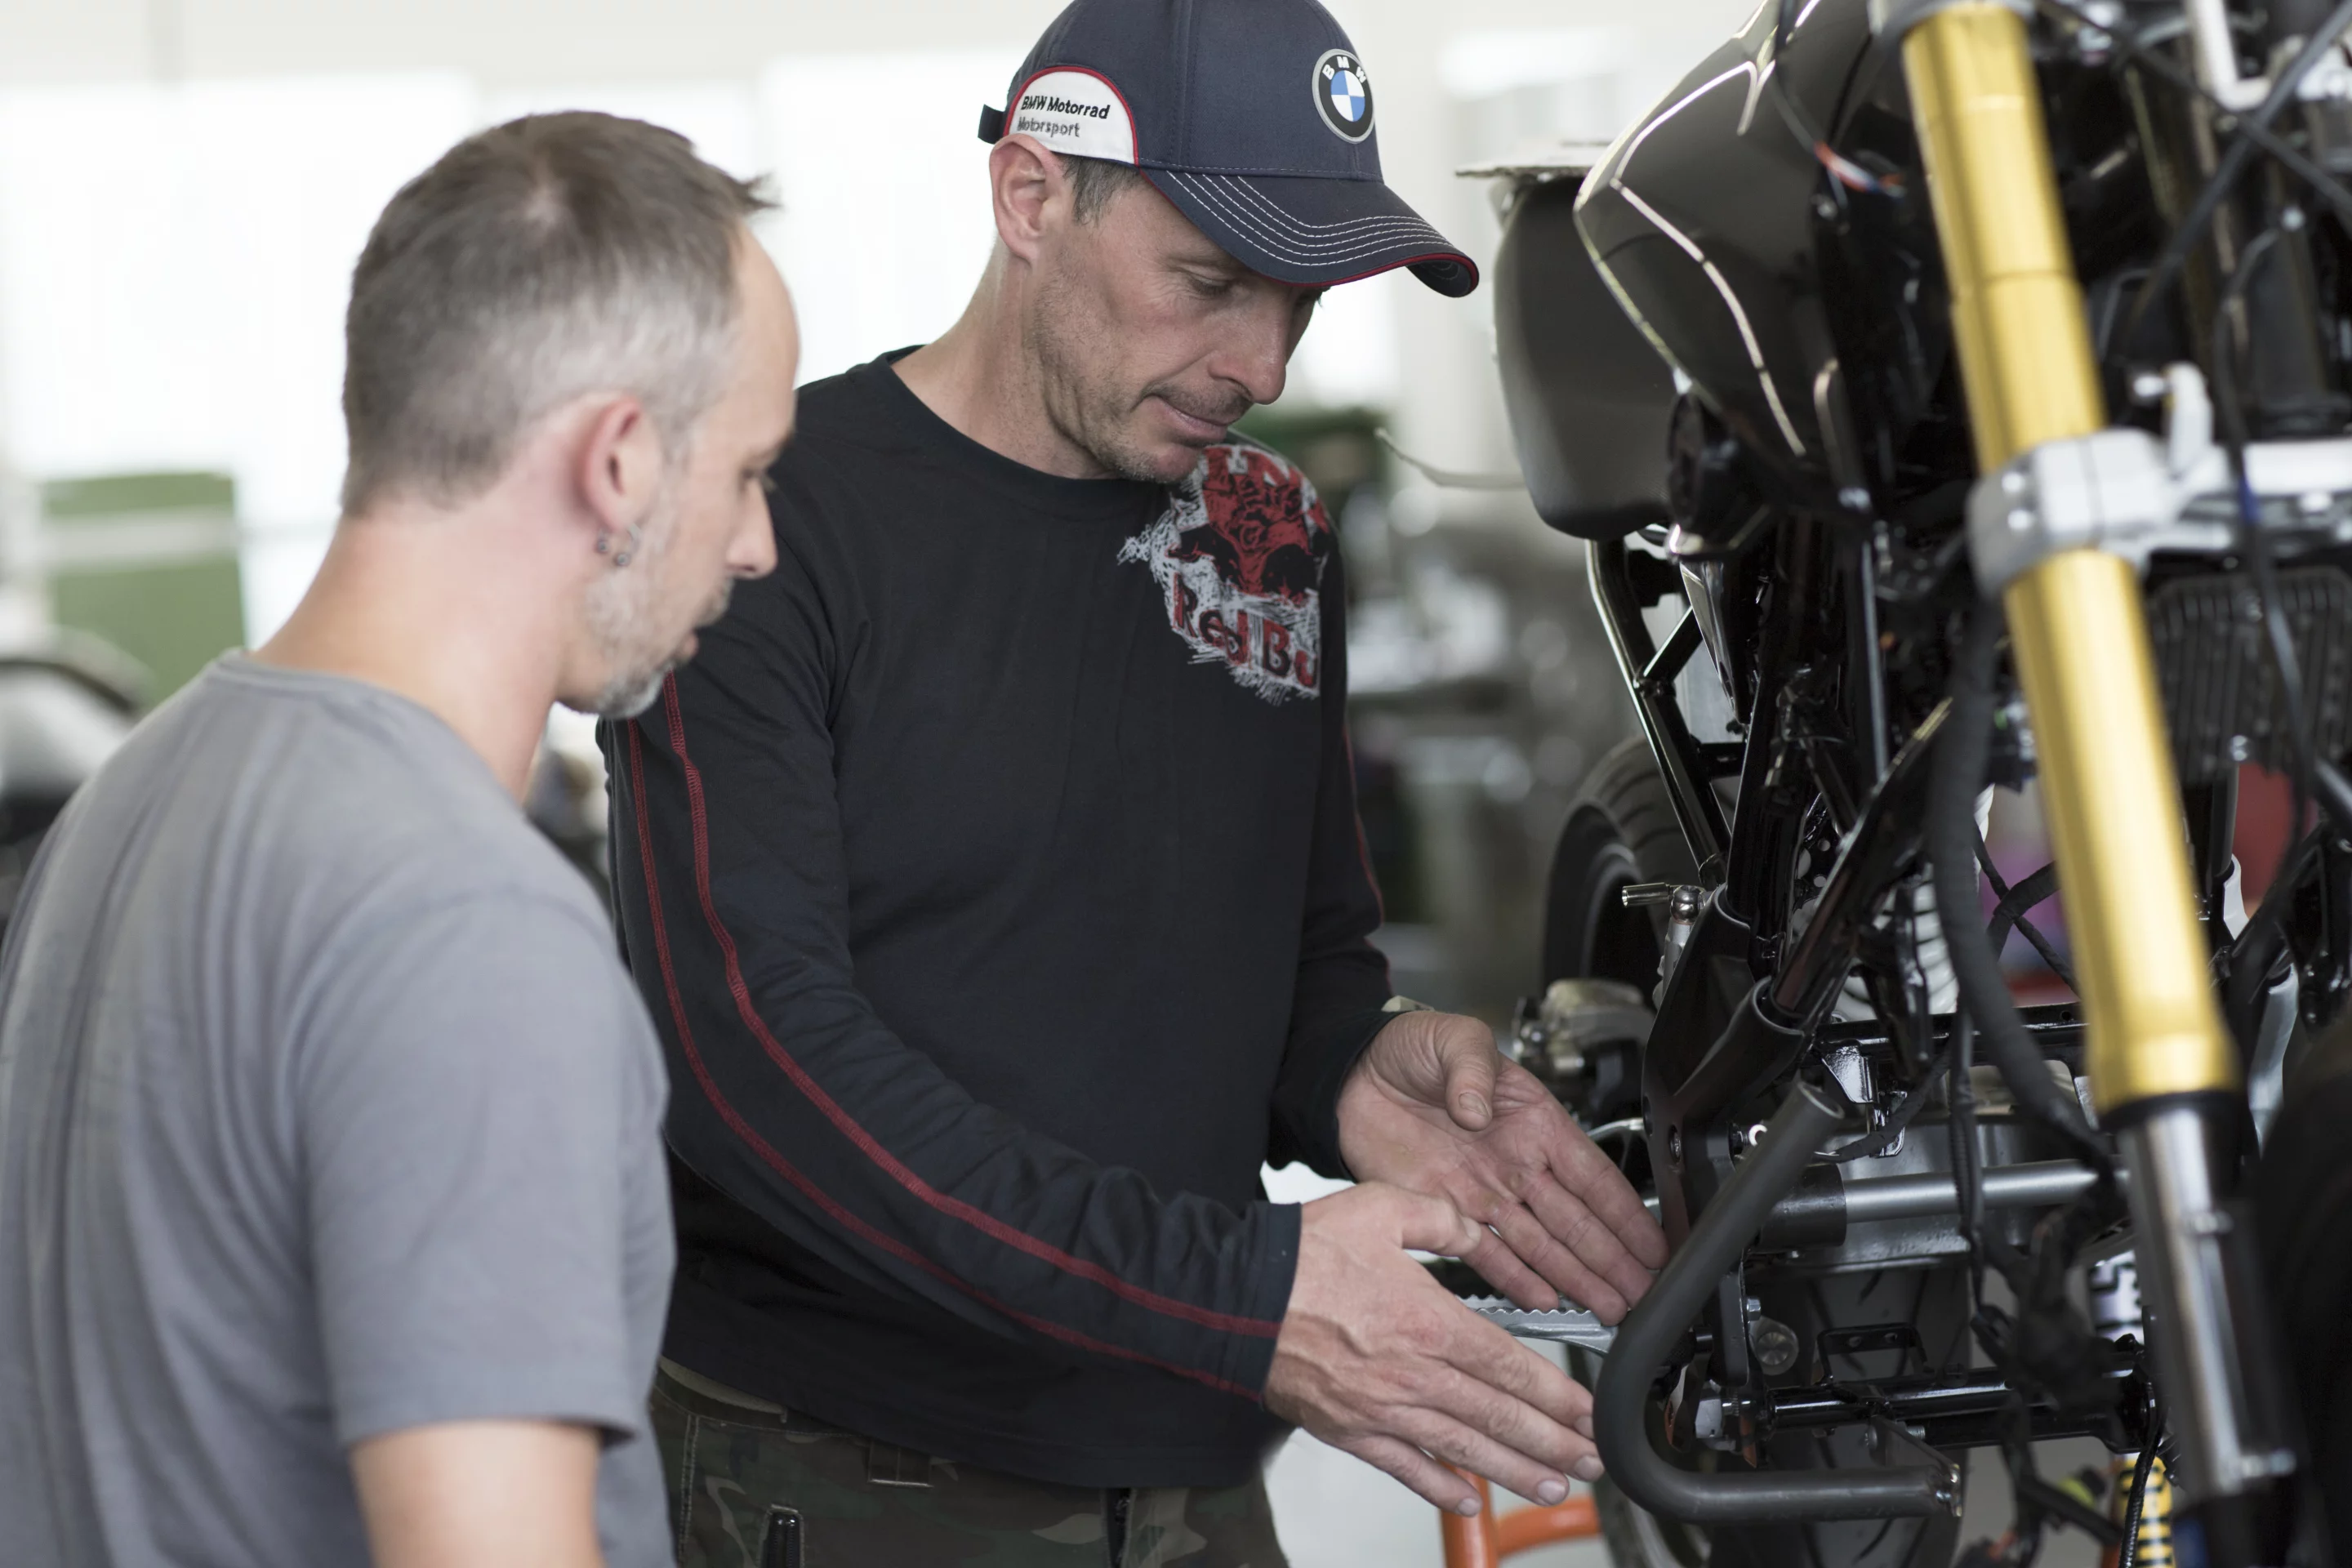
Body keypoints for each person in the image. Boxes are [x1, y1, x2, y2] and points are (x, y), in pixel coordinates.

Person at [608, 2, 1668, 1563]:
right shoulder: (773, 532)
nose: (1259, 362)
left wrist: (1352, 1067)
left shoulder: (1264, 532)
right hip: (857, 1480)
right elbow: (758, 1071)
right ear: (1032, 194)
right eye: (1210, 282)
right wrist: (1233, 1293)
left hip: (1193, 1463)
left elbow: (1299, 955)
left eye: (1301, 303)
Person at [0, 112, 796, 1568]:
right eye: (749, 471)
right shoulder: (468, 933)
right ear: (618, 464)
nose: (757, 545)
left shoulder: (129, 798)